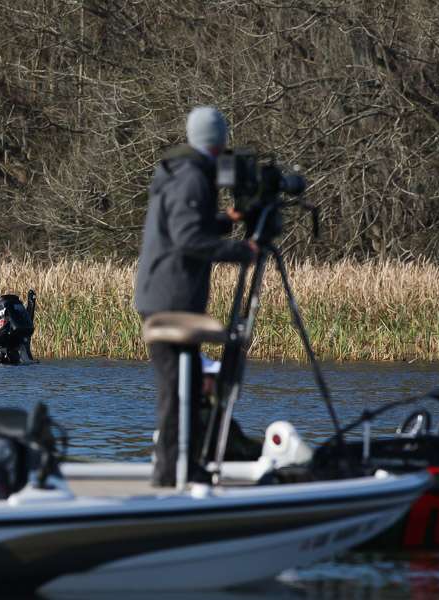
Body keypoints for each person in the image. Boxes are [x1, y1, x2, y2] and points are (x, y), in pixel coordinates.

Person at [134, 106, 257, 487]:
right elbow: (188, 239)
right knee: (176, 389)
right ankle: (171, 472)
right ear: (219, 140)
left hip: (167, 295)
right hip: (169, 300)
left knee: (184, 386)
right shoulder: (191, 177)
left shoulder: (181, 171)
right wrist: (243, 251)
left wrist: (227, 220)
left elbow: (185, 227)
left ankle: (183, 465)